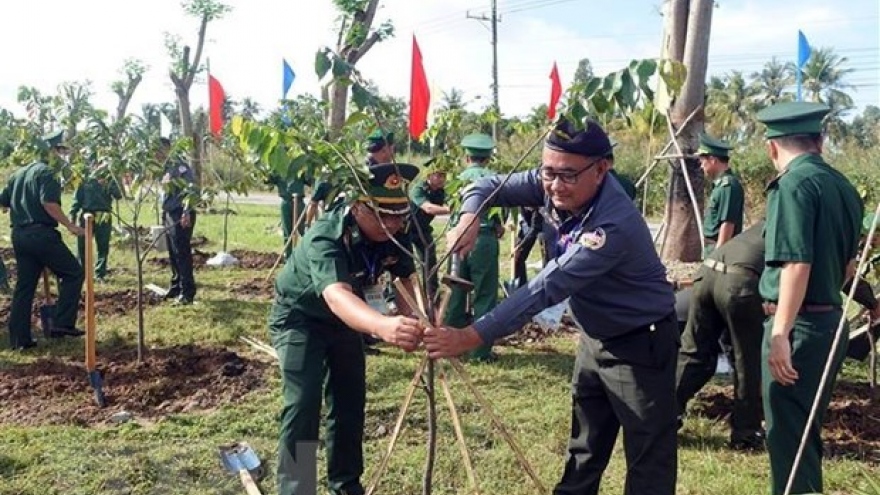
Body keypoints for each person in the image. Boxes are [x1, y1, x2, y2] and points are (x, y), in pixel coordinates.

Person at [425, 119, 678, 495]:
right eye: (548, 173)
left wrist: (471, 335)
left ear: (602, 168)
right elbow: (485, 184)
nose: (555, 186)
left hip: (640, 343)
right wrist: (470, 214)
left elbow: (543, 289)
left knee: (647, 458)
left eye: (567, 176)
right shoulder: (556, 178)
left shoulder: (612, 226)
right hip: (594, 337)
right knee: (585, 446)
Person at [269, 163, 425, 495]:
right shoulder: (328, 233)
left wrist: (418, 320)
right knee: (303, 402)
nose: (395, 224)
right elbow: (337, 296)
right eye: (385, 215)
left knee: (349, 401)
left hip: (347, 322)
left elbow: (403, 280)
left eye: (400, 215)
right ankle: (298, 488)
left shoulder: (394, 232)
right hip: (301, 317)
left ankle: (346, 484)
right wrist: (383, 325)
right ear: (357, 206)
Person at [676, 220, 880, 451]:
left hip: (708, 271)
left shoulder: (782, 216)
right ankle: (746, 433)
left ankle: (664, 416)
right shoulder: (823, 230)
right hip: (741, 280)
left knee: (694, 352)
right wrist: (872, 303)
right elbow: (844, 274)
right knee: (749, 362)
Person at [756, 101, 863, 495]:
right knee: (804, 434)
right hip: (829, 322)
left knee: (789, 443)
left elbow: (796, 264)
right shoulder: (844, 187)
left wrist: (781, 333)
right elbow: (849, 267)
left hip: (798, 327)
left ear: (772, 147)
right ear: (821, 140)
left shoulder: (792, 186)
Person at [0, 130, 85, 350]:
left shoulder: (18, 174)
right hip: (41, 235)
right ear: (52, 151)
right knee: (73, 272)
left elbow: (3, 201)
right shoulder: (48, 173)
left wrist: (17, 206)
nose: (62, 156)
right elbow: (49, 204)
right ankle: (62, 322)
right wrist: (71, 226)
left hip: (19, 235)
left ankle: (19, 339)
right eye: (61, 151)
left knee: (24, 287)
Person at [443, 133, 503, 362]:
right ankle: (480, 351)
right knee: (485, 295)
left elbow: (451, 211)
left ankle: (450, 346)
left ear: (466, 157)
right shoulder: (495, 179)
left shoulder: (455, 180)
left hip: (458, 239)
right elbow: (499, 215)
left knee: (456, 292)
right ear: (488, 158)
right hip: (484, 239)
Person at [305, 130, 394, 226]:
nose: (393, 153)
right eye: (392, 149)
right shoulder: (366, 174)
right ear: (385, 150)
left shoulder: (357, 170)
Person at [158, 138, 197, 305]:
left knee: (182, 253)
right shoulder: (164, 168)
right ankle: (176, 286)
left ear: (167, 149)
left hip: (181, 214)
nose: (156, 155)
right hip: (169, 213)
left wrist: (186, 212)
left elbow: (191, 190)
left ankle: (187, 291)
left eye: (158, 151)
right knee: (173, 253)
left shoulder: (180, 167)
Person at [70, 161, 123, 280]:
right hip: (87, 215)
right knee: (82, 245)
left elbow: (119, 196)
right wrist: (72, 216)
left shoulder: (110, 179)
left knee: (103, 246)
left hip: (104, 215)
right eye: (97, 164)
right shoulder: (85, 179)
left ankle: (100, 273)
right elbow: (77, 199)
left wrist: (110, 184)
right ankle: (82, 272)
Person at [698, 133, 744, 257]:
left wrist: (717, 257)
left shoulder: (727, 186)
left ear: (713, 160)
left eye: (703, 162)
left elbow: (727, 225)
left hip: (718, 250)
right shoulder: (720, 185)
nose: (702, 166)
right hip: (711, 248)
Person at [408, 167, 449, 297]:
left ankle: (431, 295)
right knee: (405, 265)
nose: (442, 179)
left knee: (430, 262)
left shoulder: (441, 192)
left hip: (423, 230)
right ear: (429, 176)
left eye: (444, 175)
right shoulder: (418, 189)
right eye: (438, 175)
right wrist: (451, 209)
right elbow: (429, 208)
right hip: (406, 230)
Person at [267, 171, 307, 259]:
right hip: (286, 202)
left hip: (299, 203)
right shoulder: (279, 168)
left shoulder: (299, 166)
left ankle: (308, 256)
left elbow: (309, 180)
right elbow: (268, 180)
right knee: (287, 232)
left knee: (303, 231)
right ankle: (288, 258)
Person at [510, 206, 545, 290]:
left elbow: (535, 227)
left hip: (544, 222)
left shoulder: (535, 201)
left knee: (548, 259)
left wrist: (520, 245)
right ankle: (520, 289)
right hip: (527, 221)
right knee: (517, 257)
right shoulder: (519, 198)